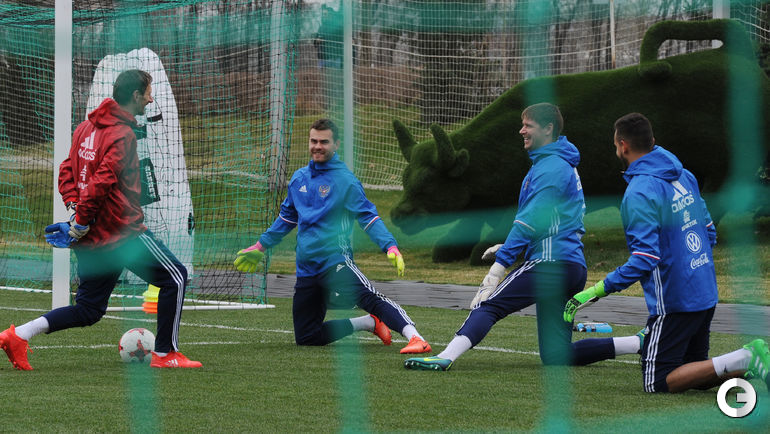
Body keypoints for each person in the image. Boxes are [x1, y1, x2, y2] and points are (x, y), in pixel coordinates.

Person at [0, 69, 201, 370]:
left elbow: (67, 170)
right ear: (136, 95)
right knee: (176, 277)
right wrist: (80, 220)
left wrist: (75, 208)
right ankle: (165, 353)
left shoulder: (85, 127)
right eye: (148, 93)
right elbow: (102, 181)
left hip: (93, 239)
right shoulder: (122, 134)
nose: (151, 99)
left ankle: (19, 335)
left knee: (89, 310)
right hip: (122, 233)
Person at [563, 112, 770, 392]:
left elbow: (645, 258)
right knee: (694, 375)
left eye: (615, 145)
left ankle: (747, 356)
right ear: (652, 141)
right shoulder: (685, 175)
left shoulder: (639, 192)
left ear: (623, 145)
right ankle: (748, 362)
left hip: (675, 301)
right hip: (705, 292)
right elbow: (709, 232)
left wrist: (596, 290)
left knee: (657, 382)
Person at [404, 103, 588, 371]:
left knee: (488, 304)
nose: (521, 130)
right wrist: (510, 246)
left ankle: (445, 357)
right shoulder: (558, 163)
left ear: (548, 129)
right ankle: (636, 342)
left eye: (528, 126)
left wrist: (497, 270)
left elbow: (528, 223)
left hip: (551, 264)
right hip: (571, 265)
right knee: (558, 354)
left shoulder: (551, 167)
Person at [234, 118, 431, 354]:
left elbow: (368, 217)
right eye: (313, 141)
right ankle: (369, 323)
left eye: (324, 142)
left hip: (335, 260)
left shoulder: (345, 181)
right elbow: (286, 219)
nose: (317, 146)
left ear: (336, 144)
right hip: (306, 268)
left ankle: (416, 338)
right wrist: (260, 247)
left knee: (370, 298)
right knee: (307, 337)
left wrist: (390, 246)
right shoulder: (299, 179)